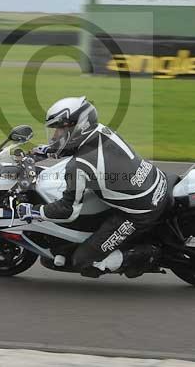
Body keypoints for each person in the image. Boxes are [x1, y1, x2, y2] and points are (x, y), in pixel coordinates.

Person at [18, 96, 170, 278]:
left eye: (60, 128)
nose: (55, 134)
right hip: (156, 182)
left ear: (78, 126)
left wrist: (34, 211)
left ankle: (149, 253)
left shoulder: (79, 166)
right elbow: (77, 147)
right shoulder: (101, 131)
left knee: (84, 261)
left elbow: (68, 211)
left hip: (140, 212)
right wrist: (43, 151)